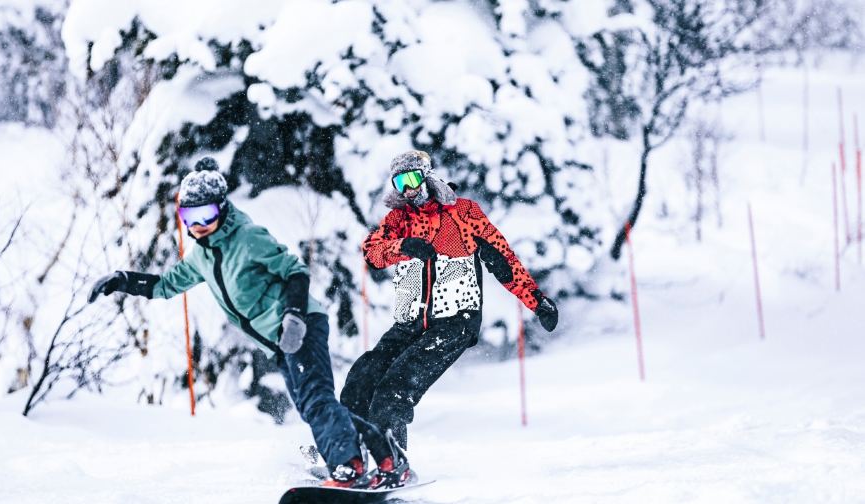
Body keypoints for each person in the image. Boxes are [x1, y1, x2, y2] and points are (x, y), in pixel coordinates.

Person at [87, 158, 408, 489]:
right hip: (278, 341)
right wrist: (123, 280)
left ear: (222, 208)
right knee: (311, 407)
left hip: (301, 324)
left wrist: (294, 317)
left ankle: (348, 465)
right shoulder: (201, 257)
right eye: (189, 218)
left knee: (317, 400)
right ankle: (385, 455)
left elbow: (295, 271)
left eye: (206, 215)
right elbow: (165, 285)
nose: (198, 226)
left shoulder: (248, 237)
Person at [340, 150, 559, 449]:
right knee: (362, 376)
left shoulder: (463, 213)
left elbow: (503, 260)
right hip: (410, 322)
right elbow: (372, 253)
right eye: (400, 182)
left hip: (455, 320)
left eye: (413, 178)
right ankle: (346, 449)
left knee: (395, 387)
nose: (408, 189)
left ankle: (389, 458)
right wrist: (403, 246)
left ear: (427, 177)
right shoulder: (398, 219)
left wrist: (536, 301)